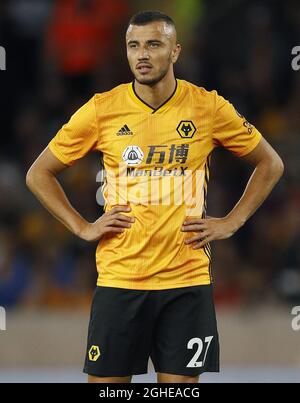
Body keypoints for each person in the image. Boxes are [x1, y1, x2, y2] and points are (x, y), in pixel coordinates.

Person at [26, 10, 284, 383]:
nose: (142, 54)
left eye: (153, 44)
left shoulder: (208, 107)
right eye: (134, 46)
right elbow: (39, 173)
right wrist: (81, 227)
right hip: (120, 281)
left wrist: (234, 220)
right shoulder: (103, 109)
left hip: (186, 282)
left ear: (175, 51)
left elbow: (270, 164)